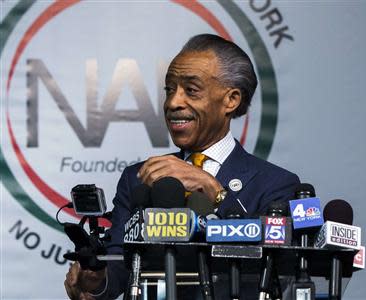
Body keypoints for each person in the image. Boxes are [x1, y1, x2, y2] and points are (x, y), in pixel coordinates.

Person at [64, 33, 300, 299]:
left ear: (231, 100)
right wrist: (97, 281)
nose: (173, 103)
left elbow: (280, 263)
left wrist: (215, 192)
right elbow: (120, 263)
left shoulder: (277, 184)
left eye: (191, 90)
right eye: (169, 90)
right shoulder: (139, 177)